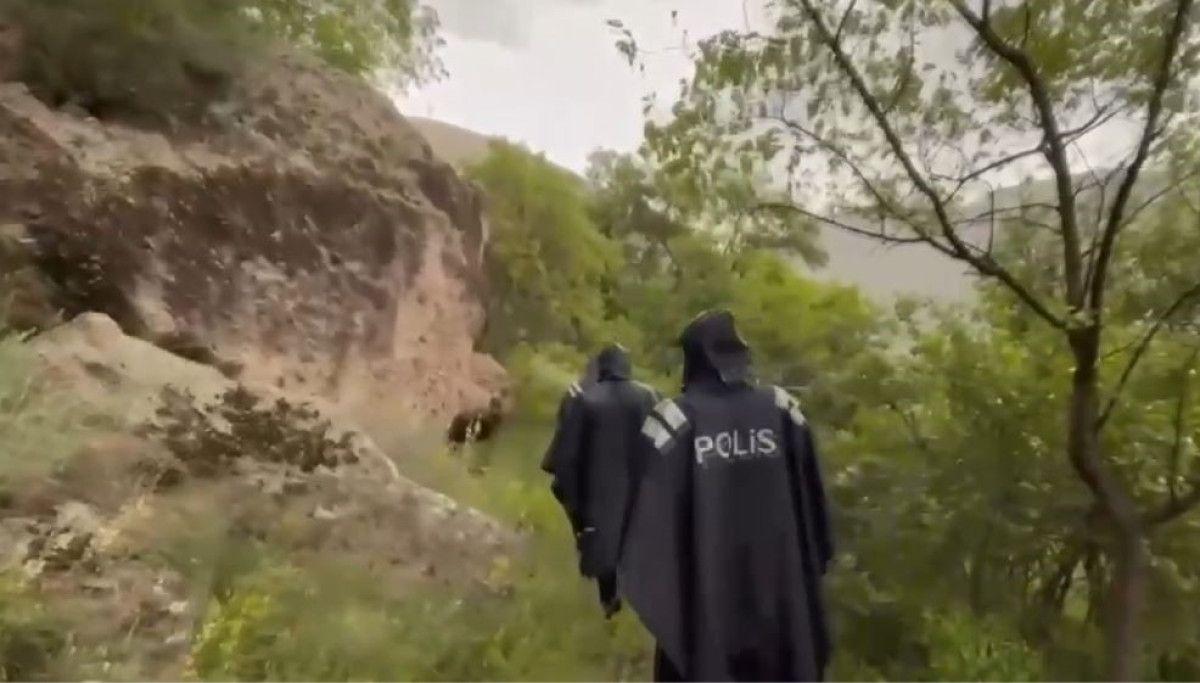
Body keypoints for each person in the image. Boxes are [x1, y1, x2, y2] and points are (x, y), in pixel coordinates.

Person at [618, 310, 835, 682]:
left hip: (704, 612)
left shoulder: (672, 421)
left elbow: (645, 523)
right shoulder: (782, 410)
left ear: (693, 358)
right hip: (782, 605)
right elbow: (814, 509)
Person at [542, 344, 658, 618]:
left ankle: (611, 608)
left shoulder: (585, 400)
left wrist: (578, 513)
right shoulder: (650, 398)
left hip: (598, 505)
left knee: (606, 565)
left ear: (601, 368)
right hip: (644, 501)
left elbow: (563, 463)